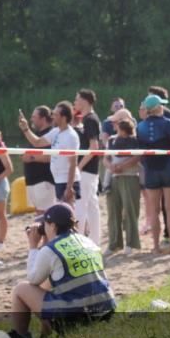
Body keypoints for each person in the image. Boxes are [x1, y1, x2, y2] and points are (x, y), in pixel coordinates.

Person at [7, 203, 116, 338]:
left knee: (21, 289)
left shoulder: (50, 250)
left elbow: (32, 279)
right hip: (106, 312)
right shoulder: (88, 241)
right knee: (48, 284)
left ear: (52, 226)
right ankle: (45, 336)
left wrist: (33, 246)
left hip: (78, 319)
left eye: (45, 224)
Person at [136, 94, 170, 253]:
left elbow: (140, 150)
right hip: (168, 168)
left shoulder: (140, 126)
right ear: (158, 107)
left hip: (150, 169)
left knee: (154, 210)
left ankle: (155, 247)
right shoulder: (168, 123)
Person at [19, 101, 80, 204]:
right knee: (66, 216)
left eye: (55, 114)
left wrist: (69, 187)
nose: (52, 117)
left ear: (64, 118)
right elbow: (37, 142)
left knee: (72, 217)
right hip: (59, 180)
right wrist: (26, 128)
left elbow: (73, 164)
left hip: (67, 182)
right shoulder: (56, 131)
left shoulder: (70, 136)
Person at [105, 118, 141, 256]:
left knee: (130, 210)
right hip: (114, 177)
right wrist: (111, 167)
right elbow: (105, 158)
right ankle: (114, 244)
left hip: (130, 176)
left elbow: (136, 157)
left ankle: (130, 243)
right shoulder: (112, 140)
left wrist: (122, 166)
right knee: (113, 211)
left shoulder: (134, 141)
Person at [73, 89, 102, 247]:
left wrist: (78, 167)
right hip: (89, 170)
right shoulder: (88, 119)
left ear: (85, 101)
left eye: (77, 99)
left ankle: (81, 243)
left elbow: (94, 147)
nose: (75, 102)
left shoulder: (90, 119)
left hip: (86, 170)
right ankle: (94, 242)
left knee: (82, 206)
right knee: (91, 206)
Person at [21, 106, 56, 215]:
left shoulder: (50, 133)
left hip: (44, 180)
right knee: (39, 212)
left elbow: (51, 157)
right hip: (32, 180)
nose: (32, 119)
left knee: (45, 213)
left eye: (34, 117)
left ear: (43, 119)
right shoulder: (36, 135)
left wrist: (31, 157)